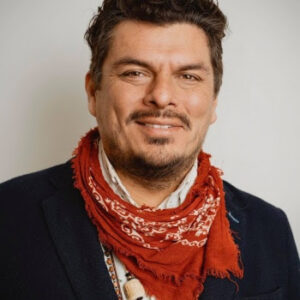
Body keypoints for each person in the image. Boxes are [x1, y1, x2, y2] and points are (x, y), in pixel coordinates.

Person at [0, 0, 299, 299]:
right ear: (93, 93)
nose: (161, 96)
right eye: (135, 73)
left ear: (213, 102)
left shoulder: (270, 230)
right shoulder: (9, 215)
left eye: (188, 76)